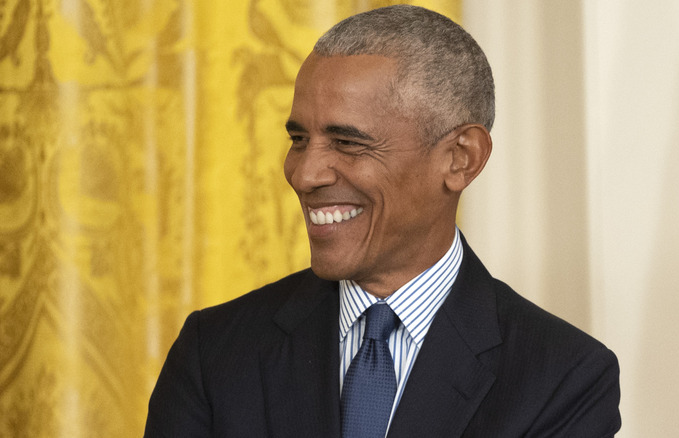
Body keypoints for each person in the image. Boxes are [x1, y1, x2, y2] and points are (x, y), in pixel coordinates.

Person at [144, 5, 621, 437]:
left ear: (460, 159)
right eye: (298, 138)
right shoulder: (216, 353)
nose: (305, 174)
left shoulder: (563, 378)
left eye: (348, 143)